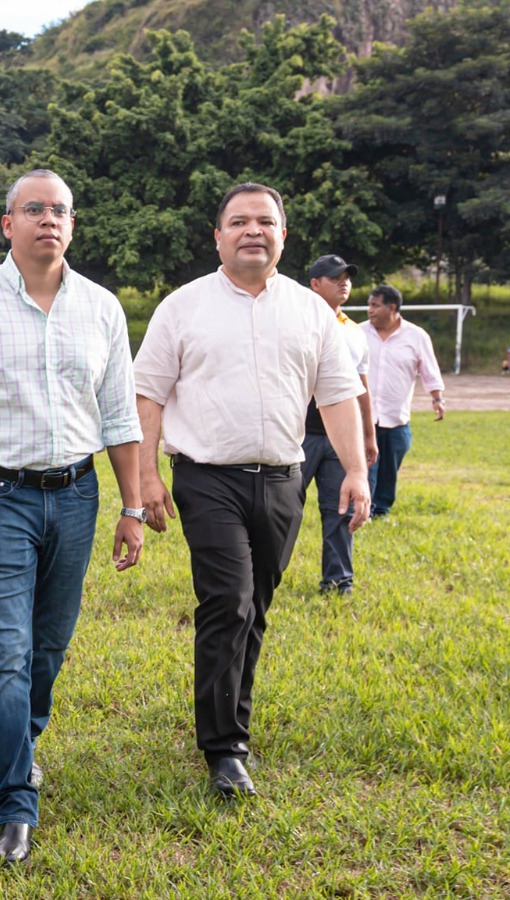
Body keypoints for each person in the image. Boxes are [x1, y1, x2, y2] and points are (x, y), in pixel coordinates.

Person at [0, 169, 144, 865]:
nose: (50, 219)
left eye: (62, 210)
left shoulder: (102, 307)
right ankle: (15, 800)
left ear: (73, 225)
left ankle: (24, 737)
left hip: (78, 496)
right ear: (7, 223)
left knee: (48, 646)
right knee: (7, 653)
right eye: (35, 209)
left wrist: (133, 506)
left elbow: (120, 415)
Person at [134, 183, 369, 799]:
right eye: (238, 221)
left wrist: (356, 469)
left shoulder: (311, 311)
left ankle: (230, 719)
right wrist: (147, 475)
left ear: (283, 235)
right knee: (229, 602)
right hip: (207, 477)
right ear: (218, 236)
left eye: (266, 221)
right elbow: (148, 393)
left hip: (284, 479)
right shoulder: (181, 307)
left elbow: (337, 394)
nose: (253, 231)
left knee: (255, 609)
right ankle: (224, 748)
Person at [300, 254, 377, 595]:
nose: (344, 282)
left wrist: (368, 435)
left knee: (340, 510)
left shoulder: (354, 332)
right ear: (315, 284)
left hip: (339, 439)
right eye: (335, 277)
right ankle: (260, 573)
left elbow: (361, 388)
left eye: (347, 277)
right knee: (279, 509)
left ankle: (338, 581)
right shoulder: (294, 322)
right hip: (299, 434)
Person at [363, 284, 445, 518]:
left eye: (375, 305)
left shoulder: (416, 336)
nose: (370, 310)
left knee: (390, 468)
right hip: (364, 417)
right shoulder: (357, 333)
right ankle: (364, 510)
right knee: (367, 466)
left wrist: (437, 399)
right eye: (369, 305)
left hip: (397, 417)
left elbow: (430, 370)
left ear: (392, 308)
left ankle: (382, 509)